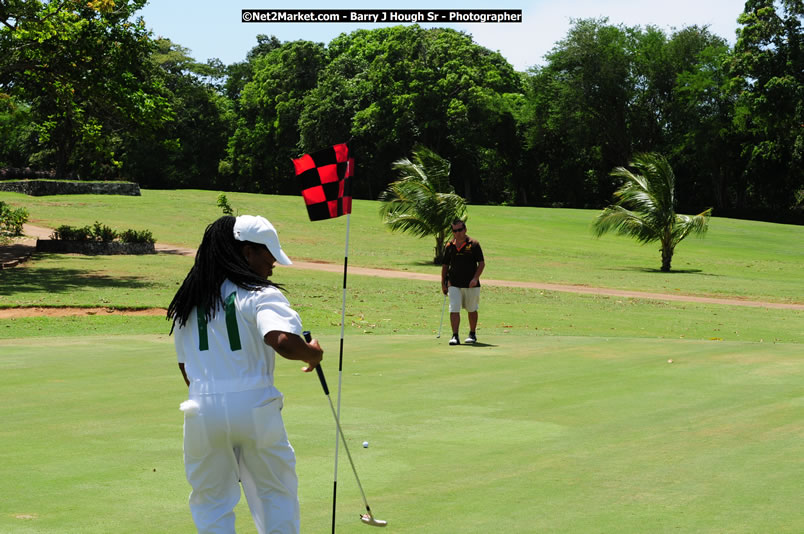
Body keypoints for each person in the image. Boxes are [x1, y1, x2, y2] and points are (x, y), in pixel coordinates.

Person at [167, 214, 323, 534]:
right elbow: (280, 340)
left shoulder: (189, 300)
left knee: (211, 501)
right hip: (255, 405)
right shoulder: (259, 293)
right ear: (246, 252)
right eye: (267, 253)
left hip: (201, 408)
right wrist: (313, 353)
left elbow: (186, 368)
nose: (273, 262)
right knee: (274, 493)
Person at [441, 218, 485, 345]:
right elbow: (445, 265)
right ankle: (455, 336)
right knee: (454, 308)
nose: (458, 233)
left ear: (465, 229)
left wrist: (475, 278)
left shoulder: (474, 244)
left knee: (471, 309)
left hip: (471, 284)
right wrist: (443, 283)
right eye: (455, 231)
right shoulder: (449, 246)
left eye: (460, 230)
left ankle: (472, 333)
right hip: (453, 283)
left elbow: (481, 264)